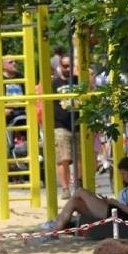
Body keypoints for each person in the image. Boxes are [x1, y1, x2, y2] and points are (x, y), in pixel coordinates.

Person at [46, 155, 128, 235]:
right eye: (121, 174)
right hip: (114, 211)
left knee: (80, 191)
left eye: (123, 174)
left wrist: (116, 203)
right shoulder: (127, 188)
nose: (122, 177)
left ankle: (55, 224)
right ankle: (55, 229)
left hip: (122, 216)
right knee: (75, 202)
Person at [52, 52, 77, 196]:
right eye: (65, 65)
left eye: (70, 65)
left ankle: (79, 186)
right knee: (64, 158)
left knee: (80, 160)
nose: (68, 68)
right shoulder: (54, 83)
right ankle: (65, 188)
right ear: (60, 66)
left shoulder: (78, 80)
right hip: (60, 124)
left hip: (78, 123)